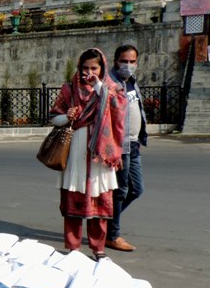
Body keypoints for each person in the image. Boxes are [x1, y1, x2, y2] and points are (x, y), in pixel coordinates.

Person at [48, 48, 126, 261]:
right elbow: (54, 117)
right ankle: (73, 248)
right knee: (74, 198)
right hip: (76, 151)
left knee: (99, 200)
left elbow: (118, 109)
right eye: (85, 68)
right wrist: (67, 116)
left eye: (94, 68)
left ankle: (98, 249)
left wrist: (98, 86)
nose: (89, 72)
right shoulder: (70, 89)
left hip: (101, 154)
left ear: (102, 69)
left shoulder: (110, 89)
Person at [107, 45, 147, 252]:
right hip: (120, 145)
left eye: (132, 62)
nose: (128, 65)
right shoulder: (111, 83)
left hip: (133, 143)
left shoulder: (131, 82)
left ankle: (105, 224)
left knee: (136, 189)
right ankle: (112, 234)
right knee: (121, 190)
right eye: (124, 61)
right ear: (116, 61)